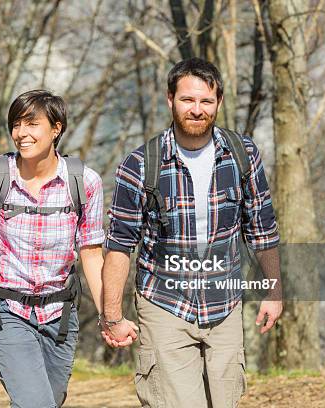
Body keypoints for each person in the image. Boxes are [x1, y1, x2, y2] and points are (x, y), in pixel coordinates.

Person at [100, 58, 283, 408]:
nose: (197, 110)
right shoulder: (141, 165)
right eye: (187, 100)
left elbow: (262, 230)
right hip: (165, 305)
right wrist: (113, 316)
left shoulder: (243, 156)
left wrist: (274, 292)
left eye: (206, 101)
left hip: (224, 306)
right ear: (170, 100)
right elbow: (120, 246)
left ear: (219, 103)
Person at [0, 89, 105, 408]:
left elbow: (91, 254)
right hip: (4, 308)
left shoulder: (84, 182)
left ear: (56, 128)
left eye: (31, 124)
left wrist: (111, 314)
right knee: (36, 403)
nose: (21, 133)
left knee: (51, 398)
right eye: (16, 124)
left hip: (60, 313)